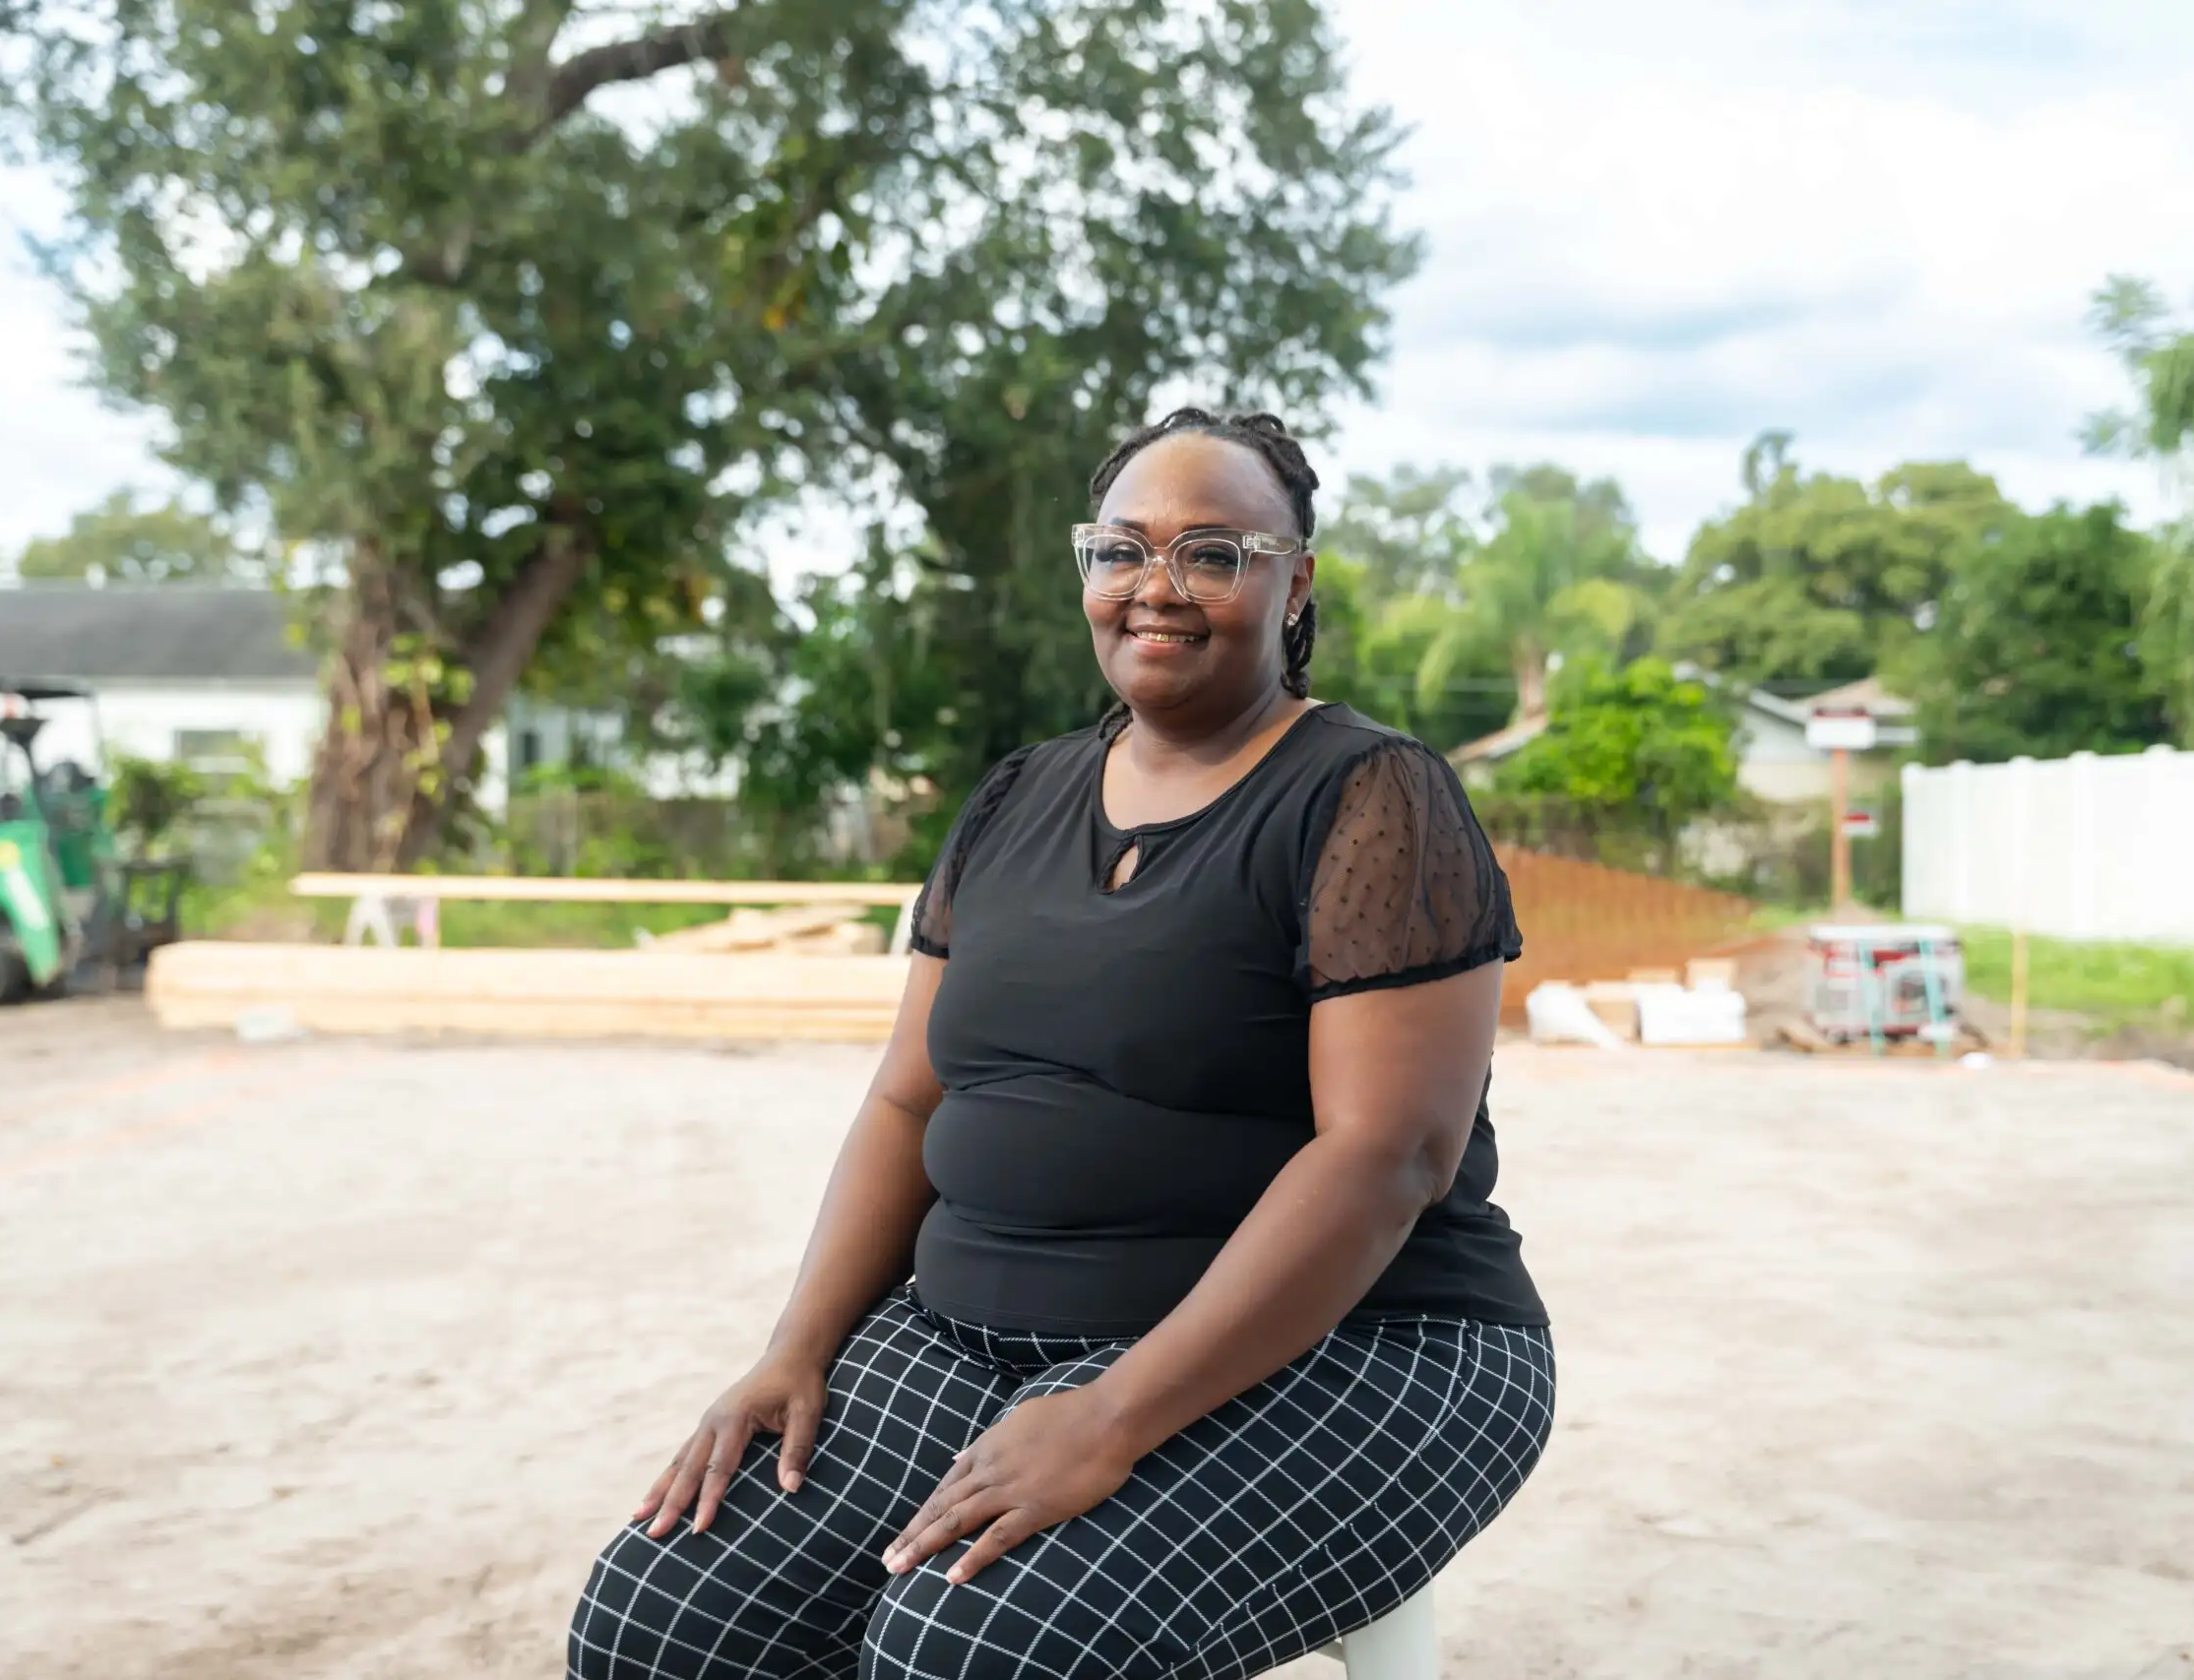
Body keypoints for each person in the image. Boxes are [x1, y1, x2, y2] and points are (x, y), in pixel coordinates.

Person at [569, 408, 1553, 1680]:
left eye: (1213, 552)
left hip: (1358, 1346)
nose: (1157, 586)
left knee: (967, 1651)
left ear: (1295, 580)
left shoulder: (1371, 796)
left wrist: (1111, 1417)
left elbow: (1388, 1155)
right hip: (964, 1338)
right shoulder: (1012, 798)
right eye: (1121, 549)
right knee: (657, 1625)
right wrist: (795, 1348)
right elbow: (909, 1101)